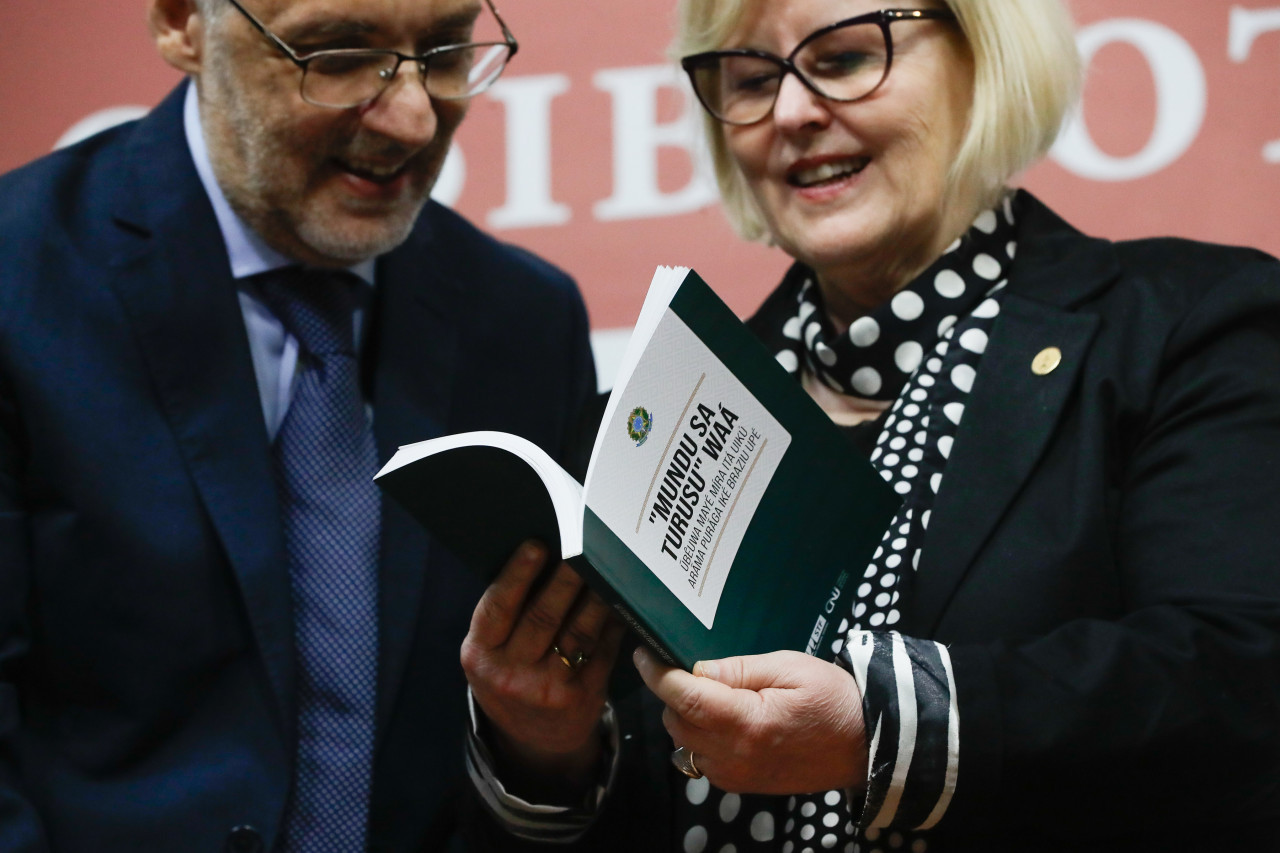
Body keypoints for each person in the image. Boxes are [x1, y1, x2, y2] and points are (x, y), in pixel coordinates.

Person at [458, 1, 1280, 850]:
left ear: (985, 60)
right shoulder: (642, 430)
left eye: (846, 58)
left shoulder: (1186, 326)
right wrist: (548, 752)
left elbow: (1235, 677)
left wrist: (885, 728)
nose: (791, 112)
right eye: (750, 79)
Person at [0, 0, 596, 849]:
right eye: (342, 54)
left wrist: (550, 750)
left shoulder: (526, 319)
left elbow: (533, 753)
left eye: (447, 50)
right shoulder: (19, 280)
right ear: (181, 23)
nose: (414, 117)